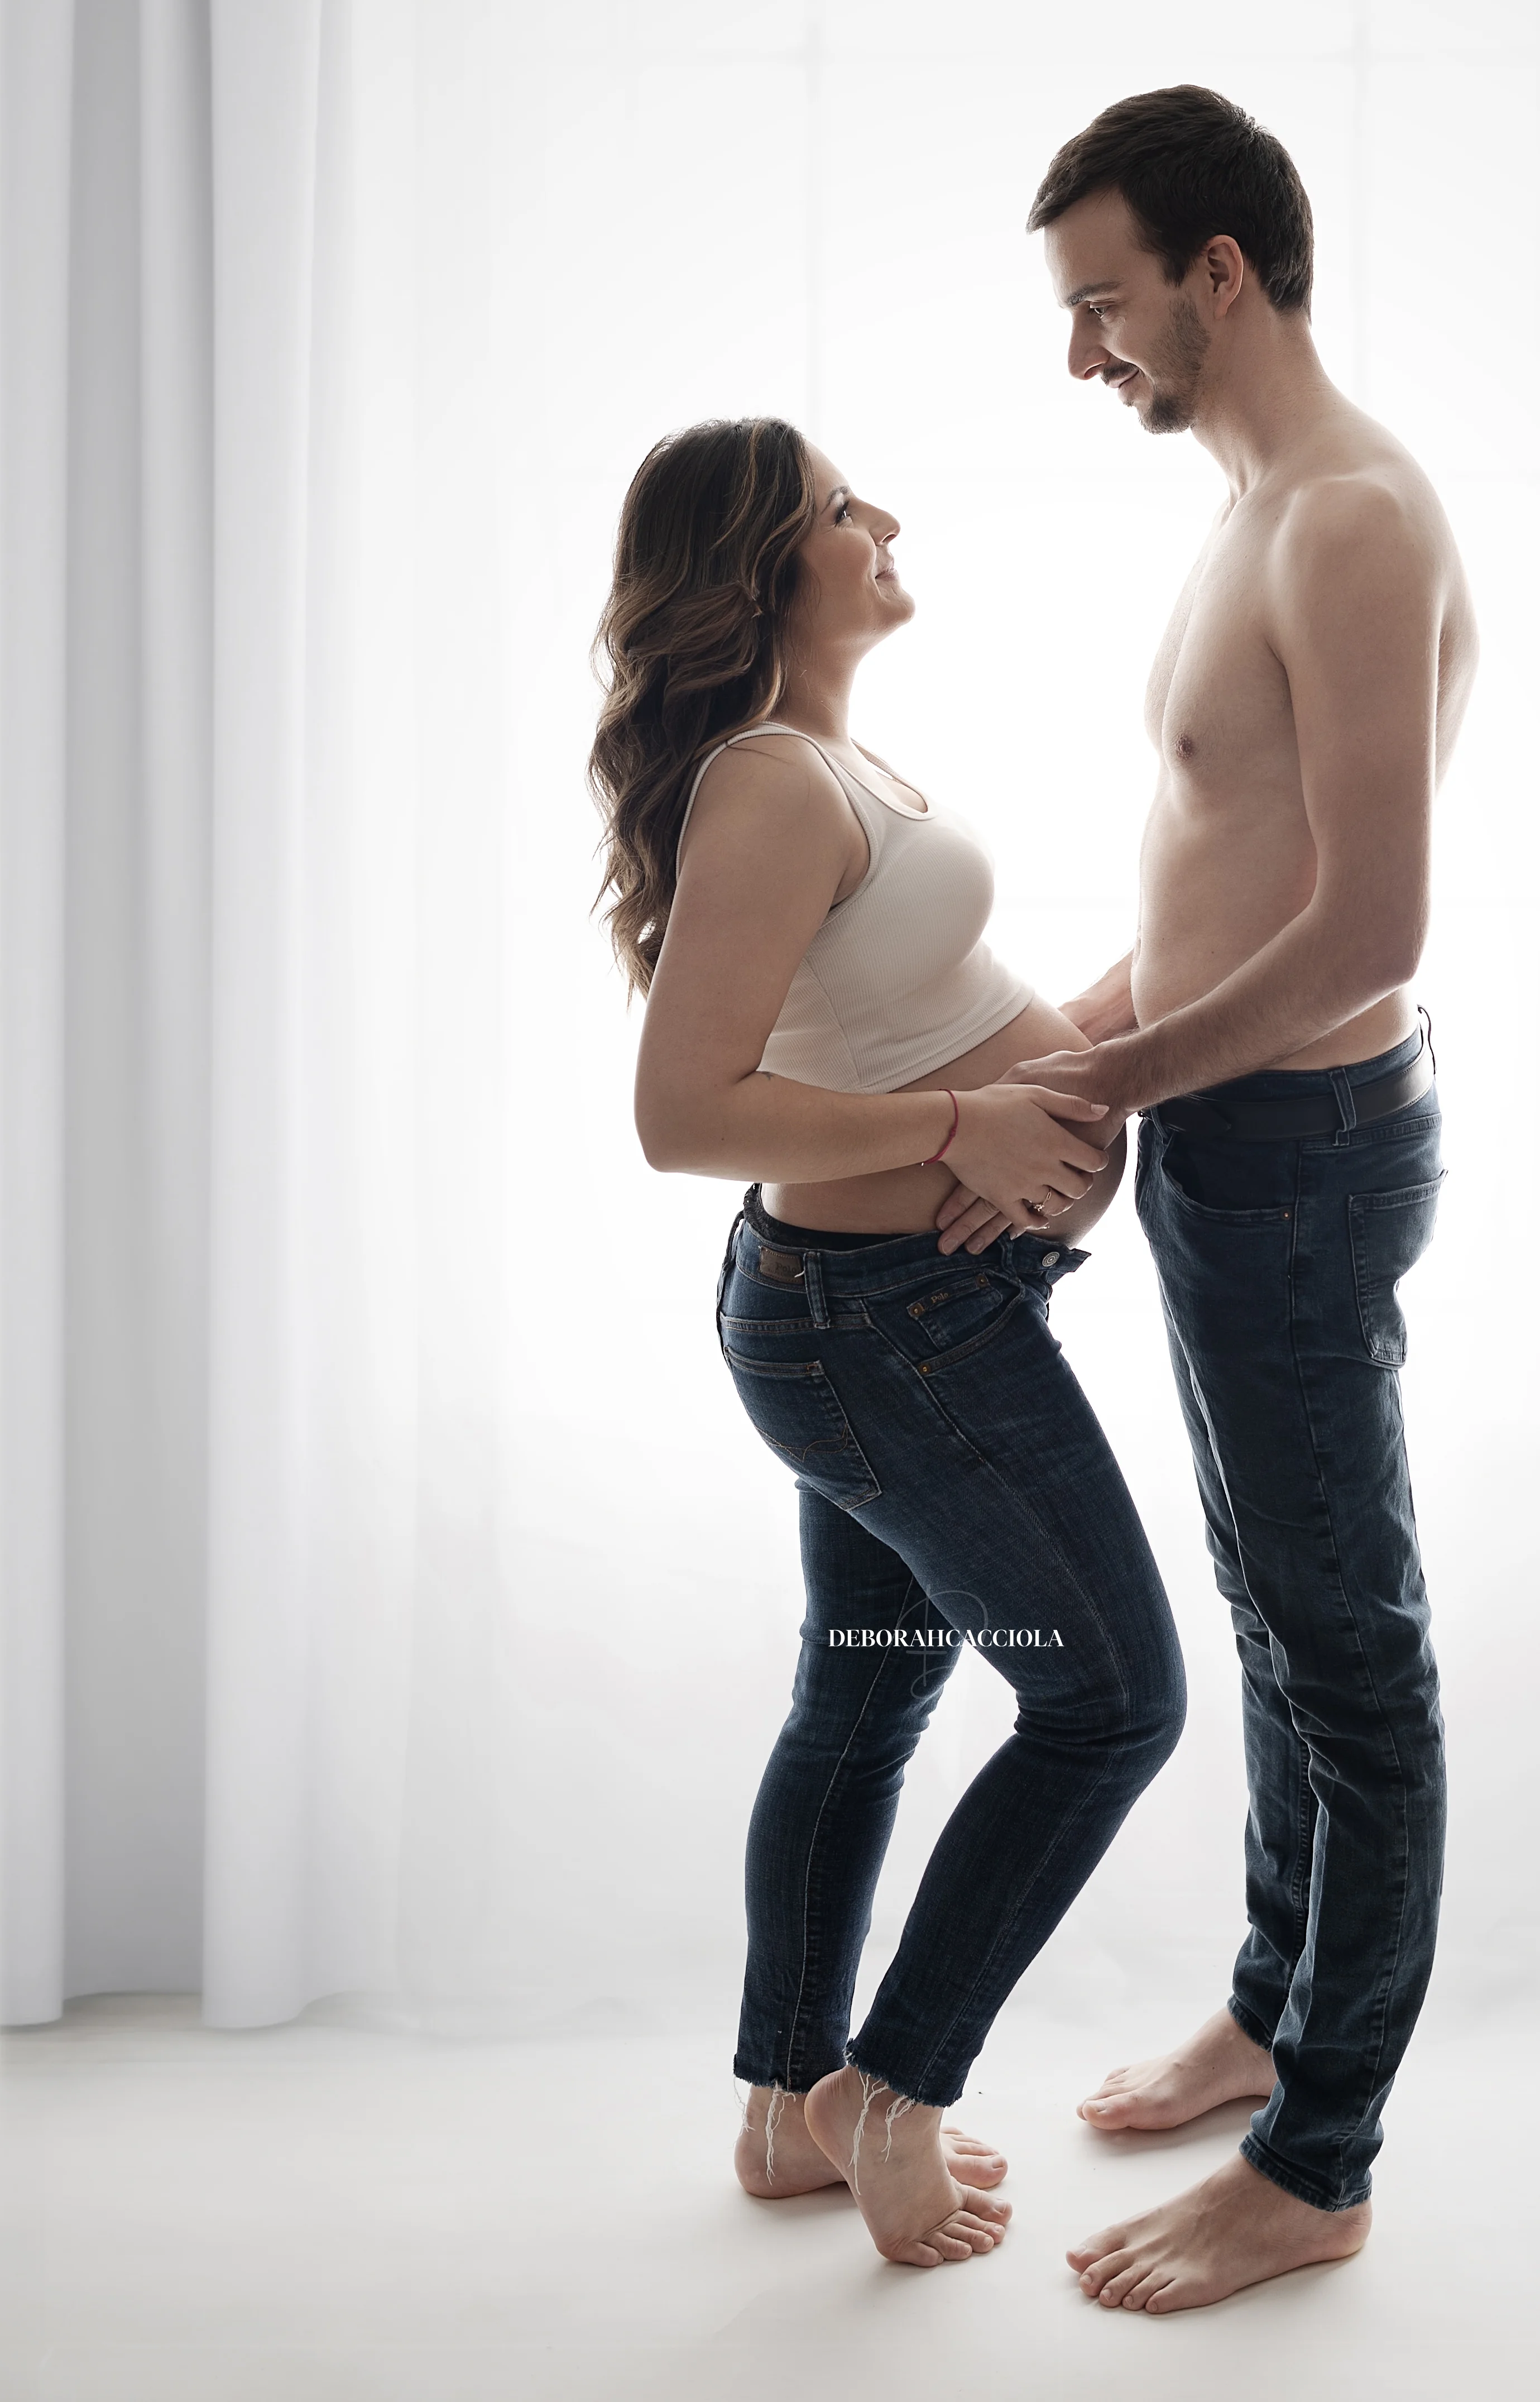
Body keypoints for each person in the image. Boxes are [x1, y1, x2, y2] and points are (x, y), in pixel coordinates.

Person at [937, 87, 1479, 2312]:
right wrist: (1048, 1054)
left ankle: (1321, 2153)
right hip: (1228, 1145)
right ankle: (1274, 2006)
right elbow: (1213, 884)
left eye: (1101, 306)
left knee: (1347, 1654)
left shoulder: (1346, 522)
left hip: (1296, 1158)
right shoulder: (1248, 511)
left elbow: (1366, 933)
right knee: (1270, 1607)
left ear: (1216, 272)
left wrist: (1108, 1085)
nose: (1086, 358)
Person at [589, 416, 1186, 2272]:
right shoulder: (769, 783)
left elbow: (908, 1008)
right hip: (892, 1341)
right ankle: (893, 2089)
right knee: (1107, 1701)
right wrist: (964, 1132)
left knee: (863, 1690)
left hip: (881, 1327)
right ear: (769, 563)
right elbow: (684, 1113)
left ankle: (787, 2103)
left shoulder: (829, 760)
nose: (887, 520)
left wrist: (1115, 1023)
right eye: (848, 508)